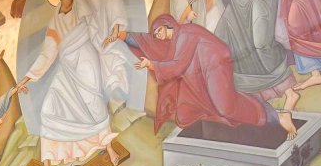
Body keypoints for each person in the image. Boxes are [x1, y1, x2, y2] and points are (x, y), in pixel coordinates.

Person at [16, 0, 130, 166]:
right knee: (49, 106)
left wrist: (116, 22)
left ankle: (109, 148)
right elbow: (48, 53)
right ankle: (48, 164)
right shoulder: (55, 20)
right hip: (66, 66)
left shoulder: (84, 0)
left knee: (92, 101)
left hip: (86, 57)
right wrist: (28, 78)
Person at [114, 14, 296, 137]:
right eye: (155, 34)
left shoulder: (184, 34)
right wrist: (122, 36)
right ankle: (268, 113)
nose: (157, 36)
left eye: (158, 31)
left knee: (225, 108)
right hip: (204, 72)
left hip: (216, 67)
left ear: (166, 25)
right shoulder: (178, 37)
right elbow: (145, 42)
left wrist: (152, 64)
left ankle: (276, 116)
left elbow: (177, 65)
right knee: (202, 109)